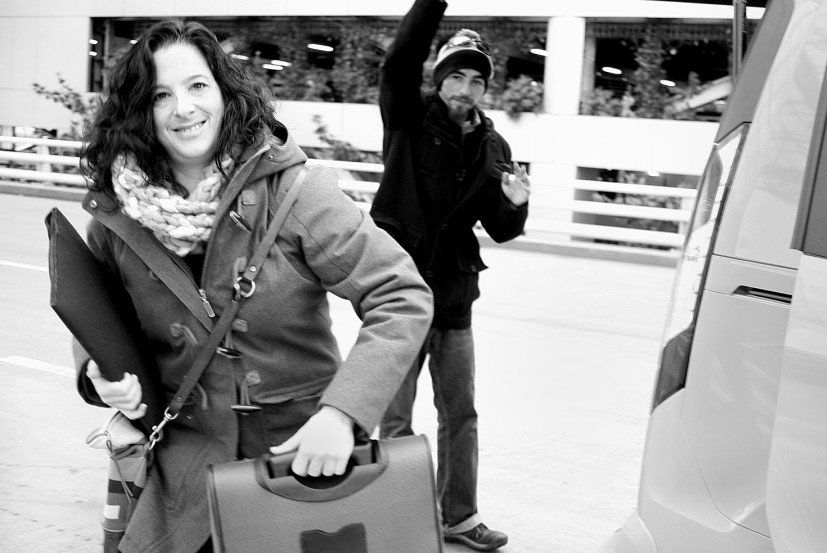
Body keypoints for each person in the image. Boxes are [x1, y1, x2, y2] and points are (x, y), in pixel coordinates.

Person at [76, 19, 433, 553]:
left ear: (224, 91)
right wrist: (97, 374)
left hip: (299, 467)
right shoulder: (116, 215)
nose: (185, 108)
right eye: (160, 95)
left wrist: (343, 415)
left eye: (198, 86)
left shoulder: (295, 192)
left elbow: (402, 296)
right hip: (182, 475)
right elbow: (95, 317)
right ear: (138, 112)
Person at [371, 0, 531, 550]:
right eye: (455, 76)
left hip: (455, 297)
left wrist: (515, 204)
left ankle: (459, 518)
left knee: (459, 414)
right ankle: (399, 518)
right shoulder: (408, 117)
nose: (464, 87)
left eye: (475, 79)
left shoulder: (495, 147)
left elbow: (501, 228)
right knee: (394, 417)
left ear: (486, 88)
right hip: (397, 293)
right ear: (438, 79)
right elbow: (397, 62)